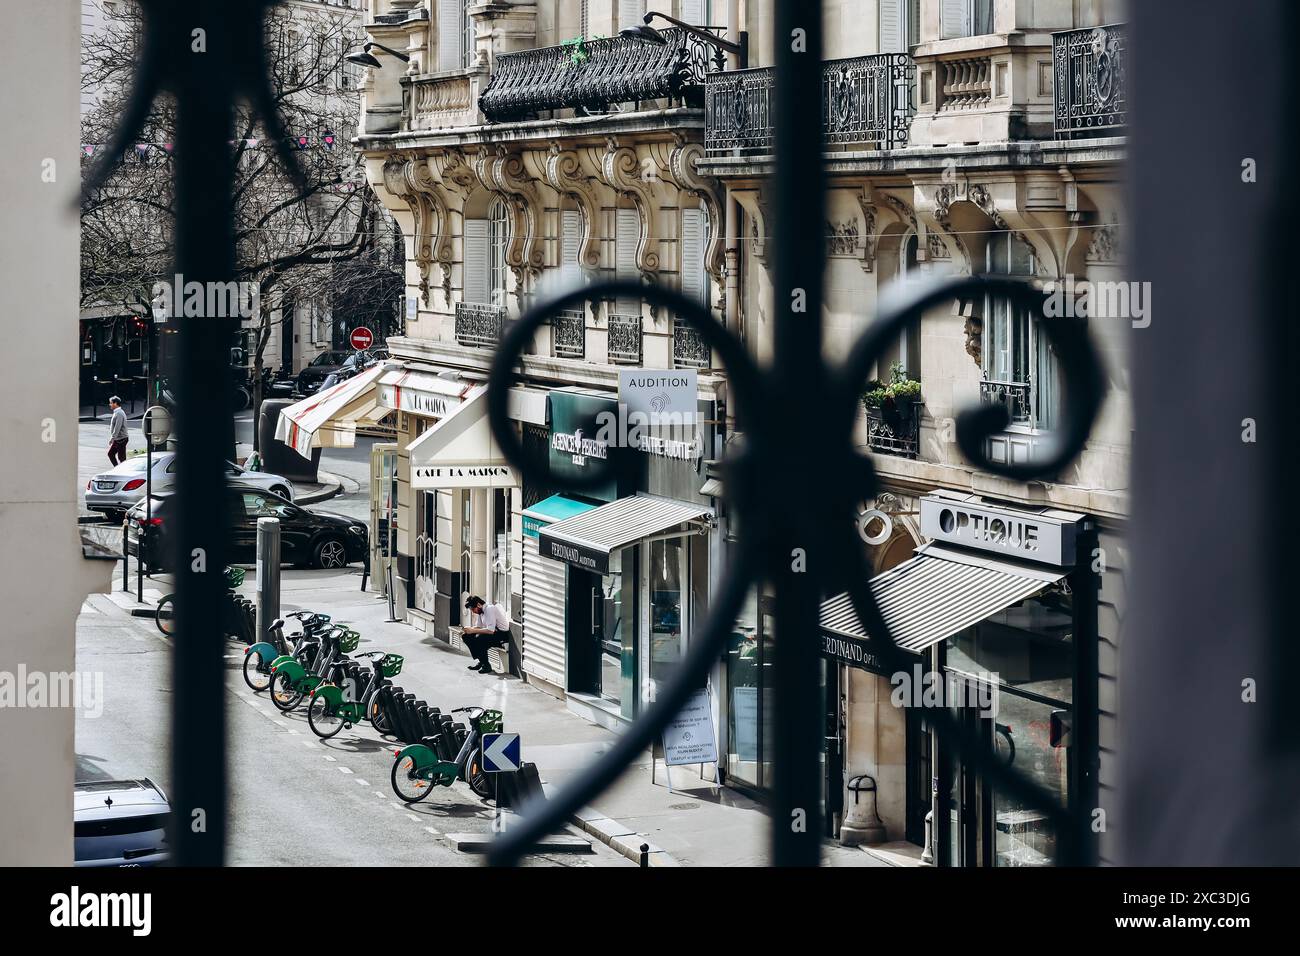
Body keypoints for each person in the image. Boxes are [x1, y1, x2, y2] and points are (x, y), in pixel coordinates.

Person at [462, 595, 512, 675]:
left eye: (473, 609)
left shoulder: (490, 609)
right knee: (466, 636)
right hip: (494, 633)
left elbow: (490, 630)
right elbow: (478, 627)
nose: (473, 612)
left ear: (478, 605)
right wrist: (469, 629)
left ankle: (486, 665)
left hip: (502, 635)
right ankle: (481, 661)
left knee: (479, 639)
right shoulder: (481, 611)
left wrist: (472, 631)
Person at [107, 396, 128, 466]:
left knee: (121, 458)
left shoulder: (119, 413)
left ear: (115, 403)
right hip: (118, 439)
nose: (110, 404)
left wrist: (112, 438)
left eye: (111, 403)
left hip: (121, 439)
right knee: (111, 454)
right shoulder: (117, 412)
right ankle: (117, 469)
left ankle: (123, 471)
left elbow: (117, 427)